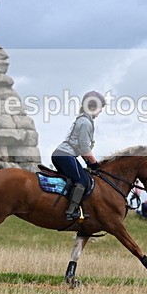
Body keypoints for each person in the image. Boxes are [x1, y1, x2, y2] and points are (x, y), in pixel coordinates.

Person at [51, 91, 106, 221]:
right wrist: (94, 164)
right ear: (94, 106)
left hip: (63, 155)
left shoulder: (83, 120)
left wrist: (88, 163)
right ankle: (71, 211)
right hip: (65, 155)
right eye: (100, 108)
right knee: (82, 180)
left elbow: (79, 147)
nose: (100, 112)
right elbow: (84, 148)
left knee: (76, 178)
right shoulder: (85, 123)